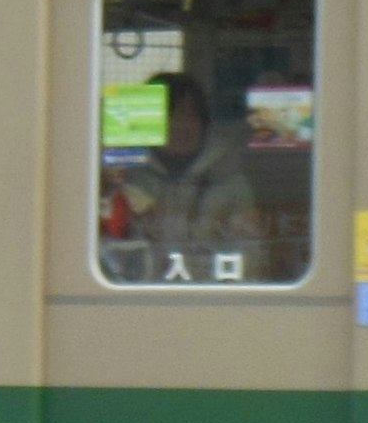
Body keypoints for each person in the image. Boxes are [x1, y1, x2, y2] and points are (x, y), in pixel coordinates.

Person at [99, 73, 261, 282]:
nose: (181, 125)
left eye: (191, 115)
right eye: (170, 115)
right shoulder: (125, 182)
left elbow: (250, 259)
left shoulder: (231, 186)